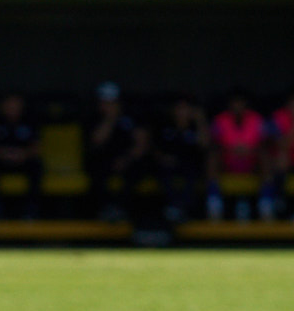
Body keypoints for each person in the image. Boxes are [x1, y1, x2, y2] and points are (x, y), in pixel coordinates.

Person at [85, 81, 149, 222]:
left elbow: (141, 145)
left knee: (136, 171)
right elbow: (97, 141)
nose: (108, 106)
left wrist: (126, 159)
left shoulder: (132, 117)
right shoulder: (94, 118)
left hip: (128, 160)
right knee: (97, 172)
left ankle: (123, 211)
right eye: (105, 102)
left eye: (112, 102)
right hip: (104, 161)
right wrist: (110, 119)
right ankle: (105, 211)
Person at [0, 92, 44, 220]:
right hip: (0, 160)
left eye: (15, 105)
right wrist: (2, 154)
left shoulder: (29, 121)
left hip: (23, 160)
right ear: (2, 106)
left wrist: (23, 154)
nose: (12, 109)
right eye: (9, 105)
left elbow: (37, 147)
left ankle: (31, 208)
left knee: (37, 165)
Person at [208, 91, 268, 221]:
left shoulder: (256, 119)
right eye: (234, 103)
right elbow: (211, 143)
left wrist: (249, 151)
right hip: (228, 162)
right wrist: (231, 150)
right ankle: (214, 204)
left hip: (251, 162)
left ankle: (266, 205)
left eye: (240, 103)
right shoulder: (220, 120)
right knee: (213, 156)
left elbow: (265, 143)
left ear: (245, 105)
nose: (237, 106)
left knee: (264, 155)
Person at [153, 93, 208, 223]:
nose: (182, 112)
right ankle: (173, 208)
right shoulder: (166, 126)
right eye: (179, 108)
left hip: (191, 166)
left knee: (193, 174)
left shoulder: (196, 127)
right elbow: (155, 149)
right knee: (163, 172)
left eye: (185, 108)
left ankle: (184, 210)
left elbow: (205, 144)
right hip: (169, 165)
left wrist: (200, 121)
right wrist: (163, 157)